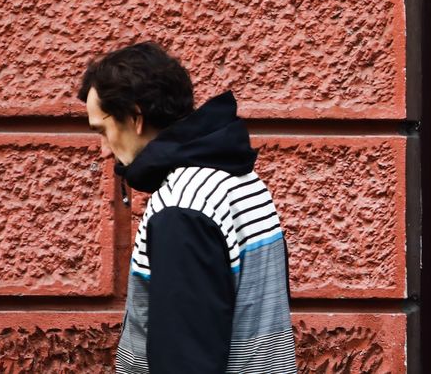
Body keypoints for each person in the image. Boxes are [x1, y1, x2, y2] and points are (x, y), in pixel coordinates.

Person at [79, 42, 296, 373]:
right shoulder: (237, 179)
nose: (105, 150)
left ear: (135, 118)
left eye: (103, 131)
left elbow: (185, 359)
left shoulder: (182, 208)